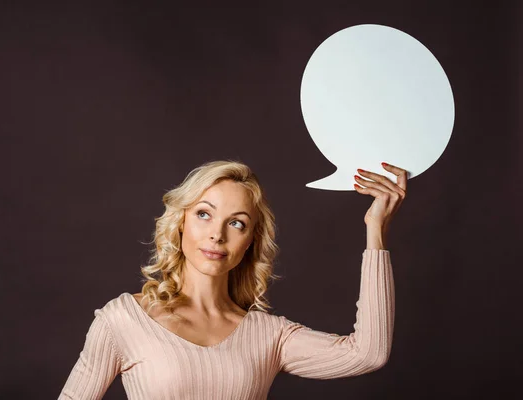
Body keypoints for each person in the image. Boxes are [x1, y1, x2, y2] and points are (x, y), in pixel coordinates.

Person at [58, 159, 407, 399]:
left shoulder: (268, 335)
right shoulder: (123, 320)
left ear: (250, 241)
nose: (217, 235)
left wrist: (376, 229)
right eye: (204, 214)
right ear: (180, 223)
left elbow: (368, 353)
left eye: (236, 222)